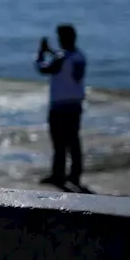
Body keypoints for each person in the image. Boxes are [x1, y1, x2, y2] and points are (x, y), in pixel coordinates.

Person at [35, 24, 89, 192]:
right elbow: (63, 60)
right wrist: (51, 51)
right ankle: (75, 175)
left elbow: (44, 69)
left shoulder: (62, 58)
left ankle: (58, 175)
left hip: (60, 105)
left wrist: (40, 54)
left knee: (59, 142)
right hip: (75, 103)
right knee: (73, 141)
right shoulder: (79, 56)